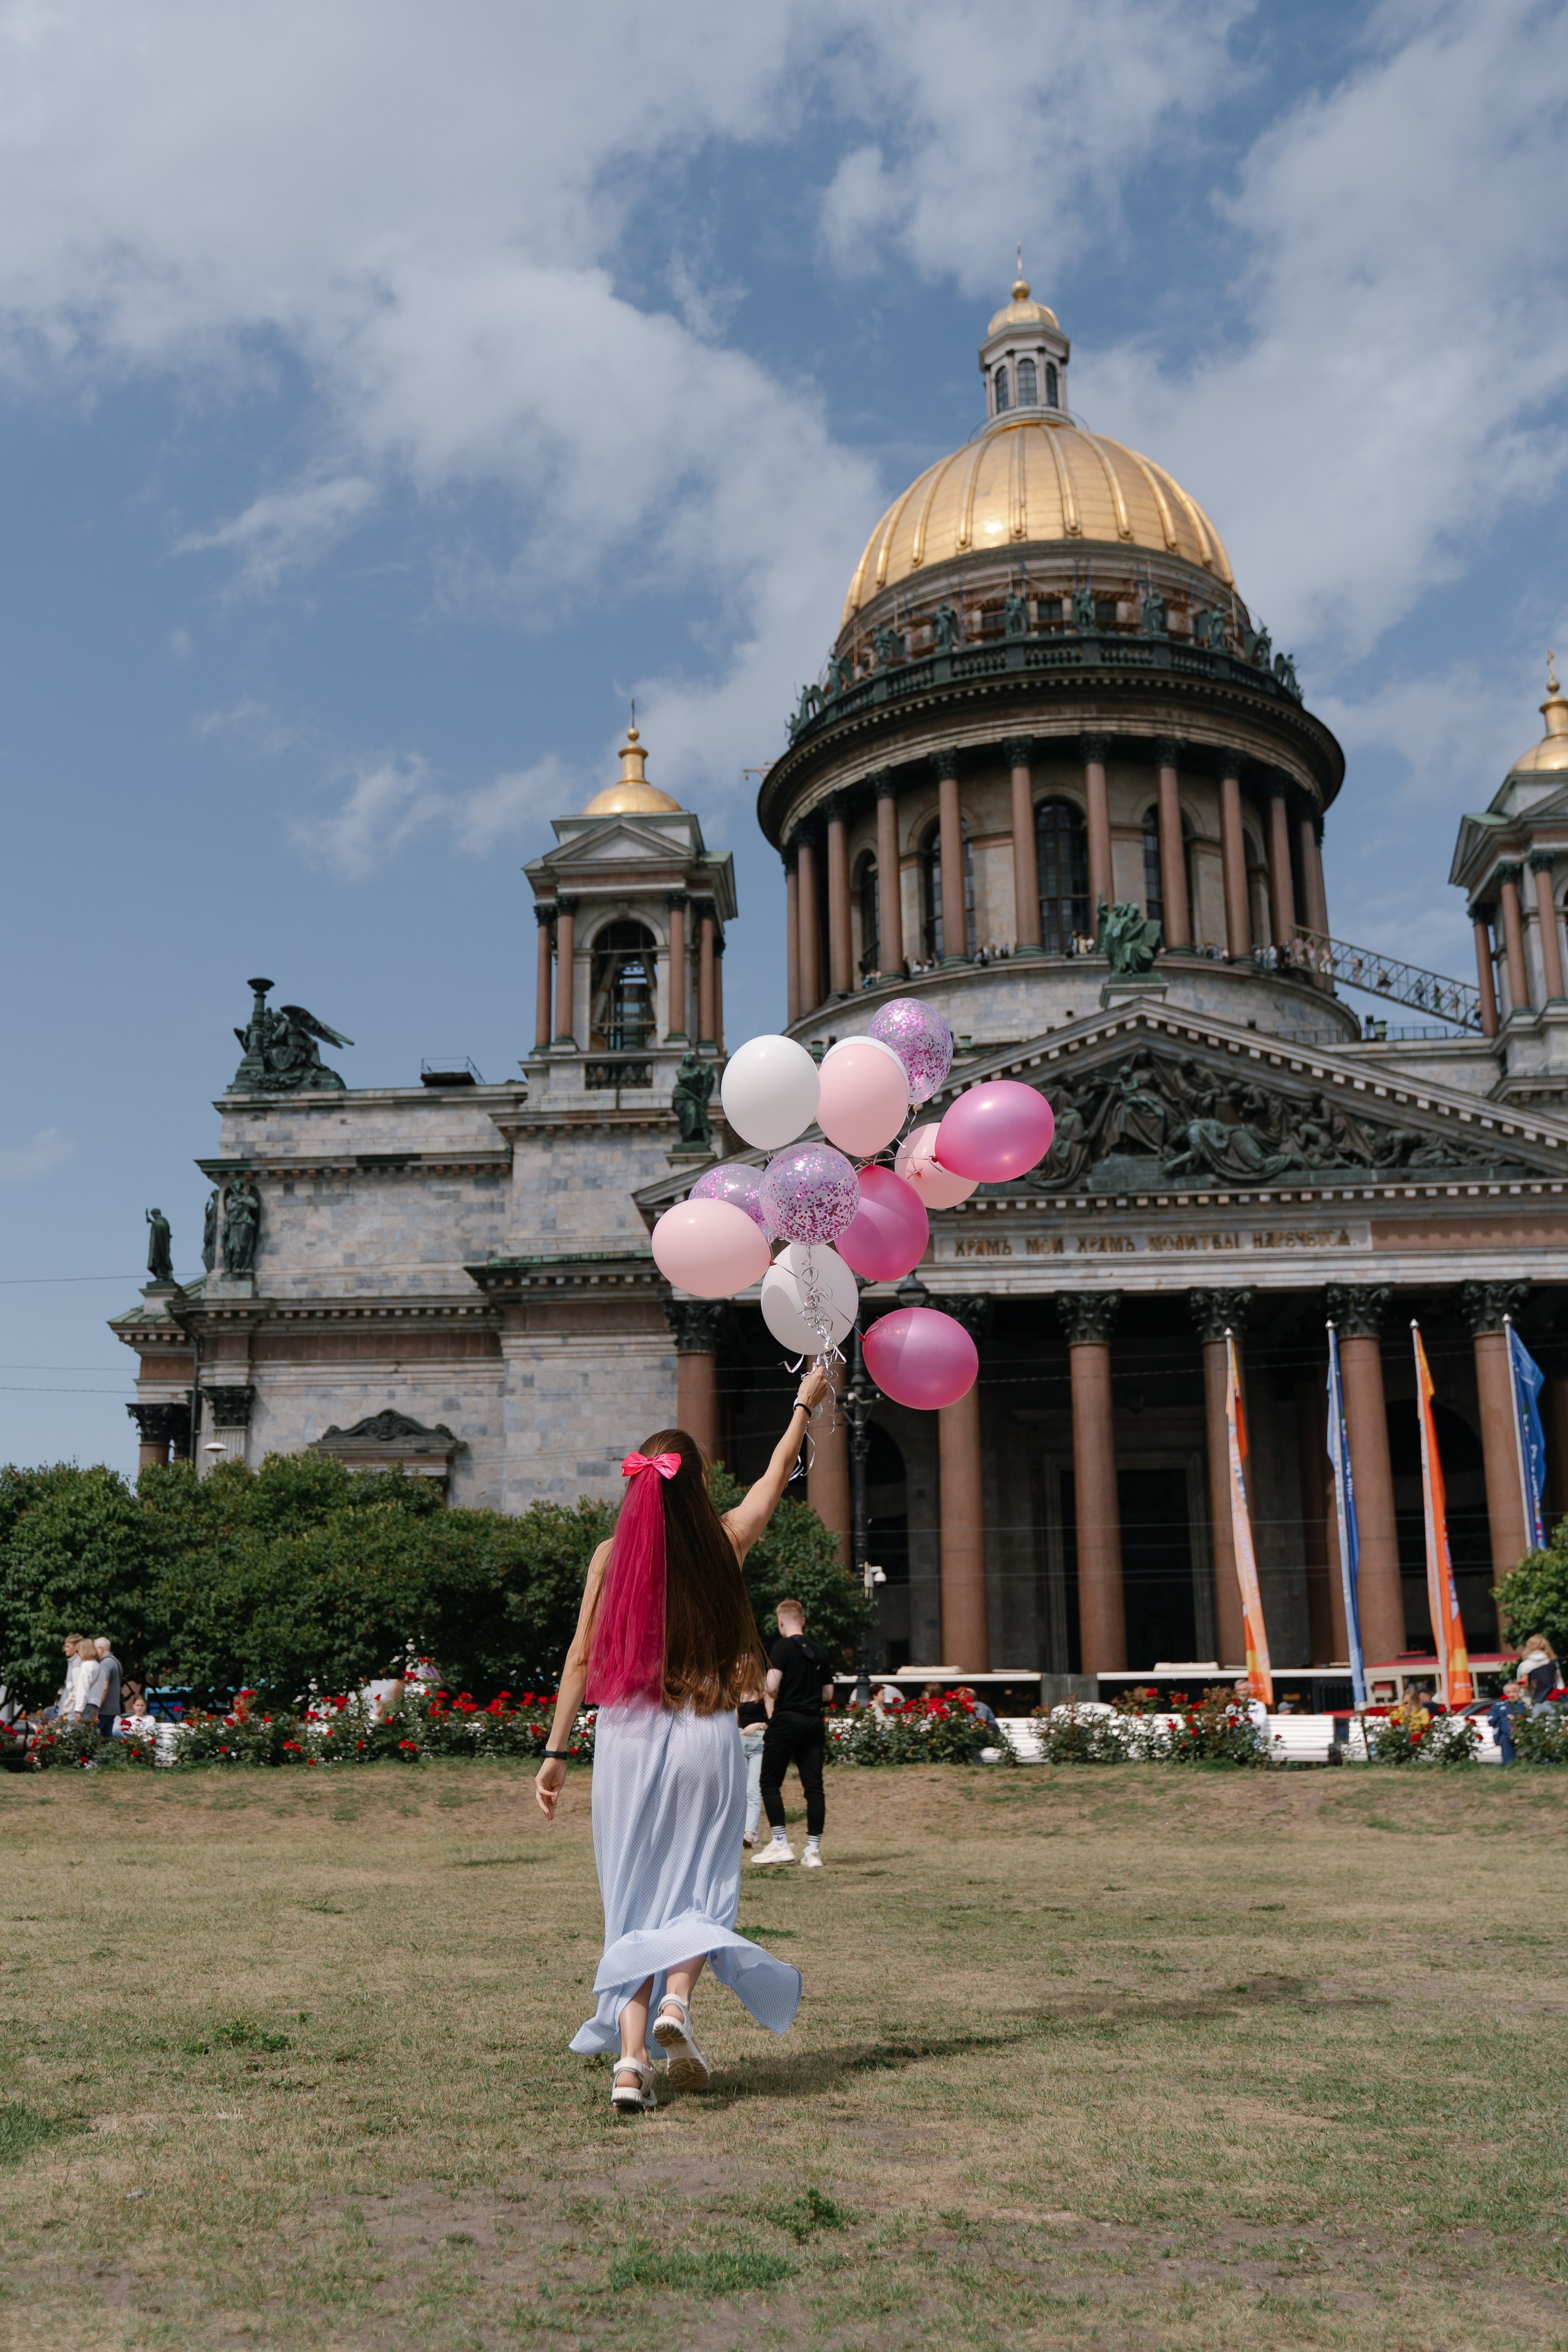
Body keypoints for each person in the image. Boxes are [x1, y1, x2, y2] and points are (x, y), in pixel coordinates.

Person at [535, 1365, 829, 2116]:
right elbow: (771, 1479)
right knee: (700, 1885)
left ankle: (629, 2066)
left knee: (630, 1901)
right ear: (696, 1486)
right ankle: (676, 2002)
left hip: (627, 1742)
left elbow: (577, 1659)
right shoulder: (725, 1541)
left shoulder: (610, 1556)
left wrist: (555, 1753)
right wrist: (804, 1402)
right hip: (705, 1736)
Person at [755, 1599, 836, 1870]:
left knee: (769, 1782)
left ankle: (780, 1843)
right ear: (802, 1620)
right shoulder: (820, 1651)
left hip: (787, 1721)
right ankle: (813, 1851)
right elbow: (828, 1694)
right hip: (813, 1722)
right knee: (814, 1787)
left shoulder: (782, 1647)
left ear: (781, 1623)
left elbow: (771, 1685)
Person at [738, 1675, 767, 1850]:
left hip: (759, 1742)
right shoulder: (736, 1695)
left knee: (753, 1790)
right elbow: (735, 1722)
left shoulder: (764, 1694)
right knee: (740, 1791)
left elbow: (773, 1721)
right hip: (741, 1741)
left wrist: (759, 1726)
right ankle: (739, 1832)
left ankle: (751, 1833)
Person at [1489, 1680, 1527, 1766]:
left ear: (1519, 1693)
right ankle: (1513, 1736)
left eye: (1514, 1692)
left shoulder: (1524, 1706)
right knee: (1504, 1722)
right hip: (1503, 1735)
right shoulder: (1498, 1706)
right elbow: (1491, 1721)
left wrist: (1516, 1719)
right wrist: (1506, 1718)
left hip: (1523, 1735)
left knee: (1505, 1737)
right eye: (1509, 1692)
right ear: (1504, 1694)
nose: (1512, 1695)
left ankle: (1508, 1765)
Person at [1517, 1634, 1559, 1708]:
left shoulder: (1525, 1665)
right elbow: (1558, 1681)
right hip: (1551, 1701)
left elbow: (1523, 1685)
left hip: (1534, 1703)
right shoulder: (1552, 1662)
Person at [92, 1638, 122, 1738]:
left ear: (101, 1649)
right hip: (113, 1709)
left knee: (94, 1739)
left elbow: (104, 1687)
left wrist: (97, 1708)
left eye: (95, 1649)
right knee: (106, 1740)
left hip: (104, 1710)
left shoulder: (105, 1663)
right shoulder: (116, 1662)